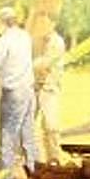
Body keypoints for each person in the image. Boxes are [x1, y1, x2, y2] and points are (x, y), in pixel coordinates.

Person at [0, 6, 39, 171]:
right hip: (28, 91)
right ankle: (35, 171)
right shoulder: (25, 36)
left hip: (13, 92)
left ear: (2, 23)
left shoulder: (5, 40)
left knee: (7, 136)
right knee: (28, 135)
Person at [34, 16, 67, 163]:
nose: (43, 27)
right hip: (35, 87)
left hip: (49, 88)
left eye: (46, 23)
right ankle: (28, 161)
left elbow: (45, 63)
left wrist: (24, 65)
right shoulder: (36, 41)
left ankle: (54, 160)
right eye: (41, 23)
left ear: (53, 24)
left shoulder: (57, 42)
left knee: (51, 126)